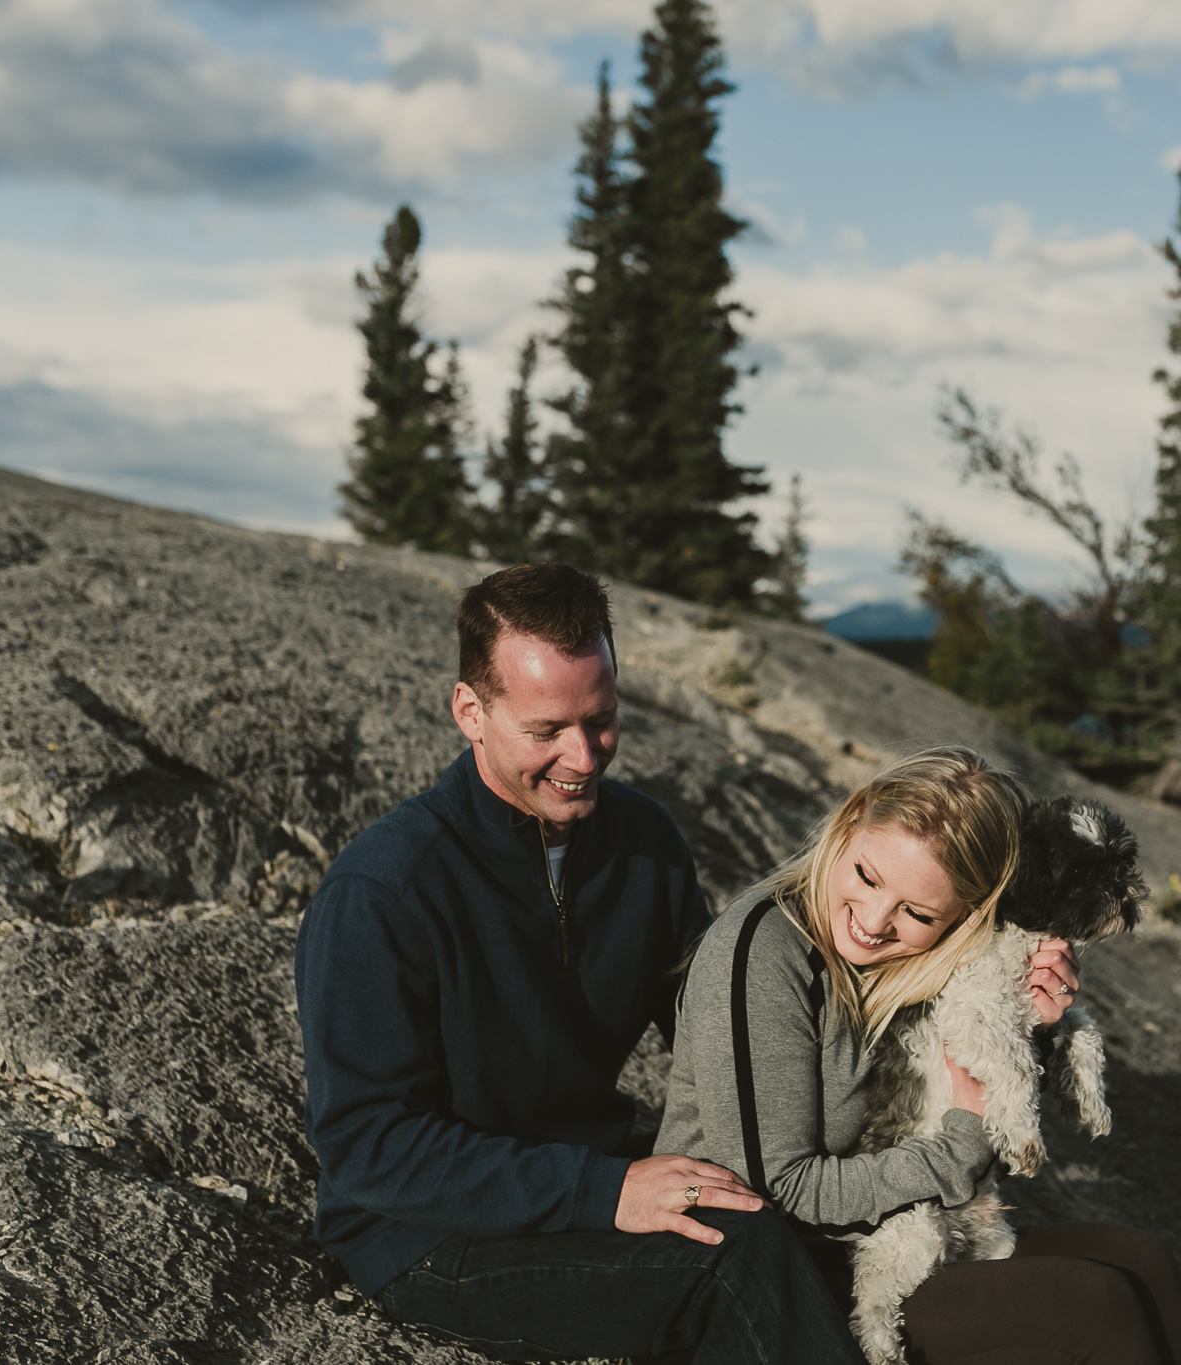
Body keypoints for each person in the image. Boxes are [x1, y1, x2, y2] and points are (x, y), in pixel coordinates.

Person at [294, 562, 868, 1364]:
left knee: (822, 1232)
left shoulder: (645, 842)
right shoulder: (383, 890)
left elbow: (723, 1025)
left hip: (587, 1168)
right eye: (546, 730)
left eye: (601, 718)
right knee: (734, 1256)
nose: (584, 754)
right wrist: (607, 1190)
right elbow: (367, 1146)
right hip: (430, 1233)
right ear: (470, 711)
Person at [657, 747, 1181, 1365]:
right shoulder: (764, 952)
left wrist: (1033, 1024)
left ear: (967, 916)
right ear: (852, 820)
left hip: (865, 1235)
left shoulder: (920, 962)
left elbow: (937, 1091)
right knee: (1092, 1303)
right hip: (752, 1274)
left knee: (1139, 1260)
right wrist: (960, 1145)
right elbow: (776, 1190)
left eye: (918, 913)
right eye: (867, 877)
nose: (873, 920)